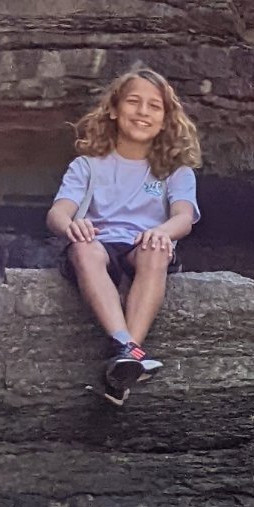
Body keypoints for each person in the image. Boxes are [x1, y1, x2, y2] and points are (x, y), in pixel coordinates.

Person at [46, 69, 201, 404]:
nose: (143, 112)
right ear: (114, 110)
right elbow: (58, 212)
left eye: (154, 106)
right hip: (98, 245)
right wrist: (72, 226)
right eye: (133, 102)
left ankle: (125, 357)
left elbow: (183, 217)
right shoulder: (87, 165)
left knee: (156, 250)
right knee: (84, 249)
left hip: (143, 245)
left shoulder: (176, 171)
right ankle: (128, 349)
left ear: (165, 119)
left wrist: (162, 231)